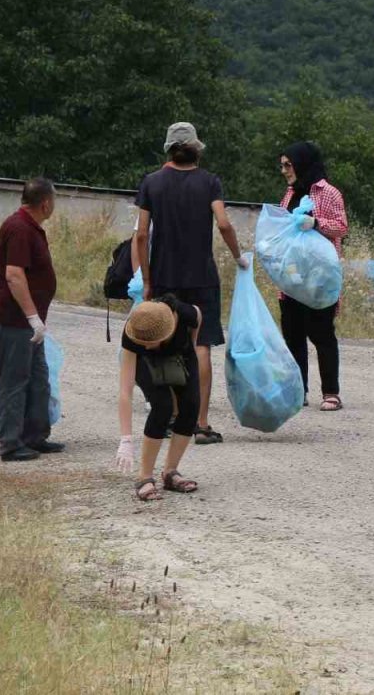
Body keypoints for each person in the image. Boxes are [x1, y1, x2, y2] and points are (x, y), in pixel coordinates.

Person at [132, 122, 246, 445]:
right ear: (196, 148)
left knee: (166, 344)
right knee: (200, 346)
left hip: (164, 277)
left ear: (168, 148)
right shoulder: (210, 182)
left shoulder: (151, 183)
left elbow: (141, 234)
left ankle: (170, 417)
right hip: (201, 277)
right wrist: (238, 255)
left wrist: (147, 279)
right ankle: (200, 423)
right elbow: (223, 223)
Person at [0, 178, 64, 462]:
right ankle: (11, 444)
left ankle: (35, 436)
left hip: (27, 324)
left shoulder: (30, 227)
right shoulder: (19, 228)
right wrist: (32, 317)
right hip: (11, 321)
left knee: (39, 378)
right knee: (14, 381)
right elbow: (14, 275)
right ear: (46, 203)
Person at [278, 142, 349, 412]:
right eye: (282, 165)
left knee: (321, 333)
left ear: (302, 163)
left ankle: (331, 391)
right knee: (293, 333)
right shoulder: (290, 193)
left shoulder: (328, 192)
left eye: (288, 165)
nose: (284, 171)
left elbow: (341, 227)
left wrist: (316, 224)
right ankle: (300, 390)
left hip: (320, 277)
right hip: (293, 275)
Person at [116, 299, 204, 500]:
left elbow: (198, 315)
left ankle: (170, 472)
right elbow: (125, 390)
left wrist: (189, 349)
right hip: (145, 363)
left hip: (180, 349)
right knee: (162, 406)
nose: (144, 346)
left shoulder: (186, 314)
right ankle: (144, 477)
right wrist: (126, 439)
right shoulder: (135, 331)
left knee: (191, 405)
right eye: (141, 342)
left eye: (148, 343)